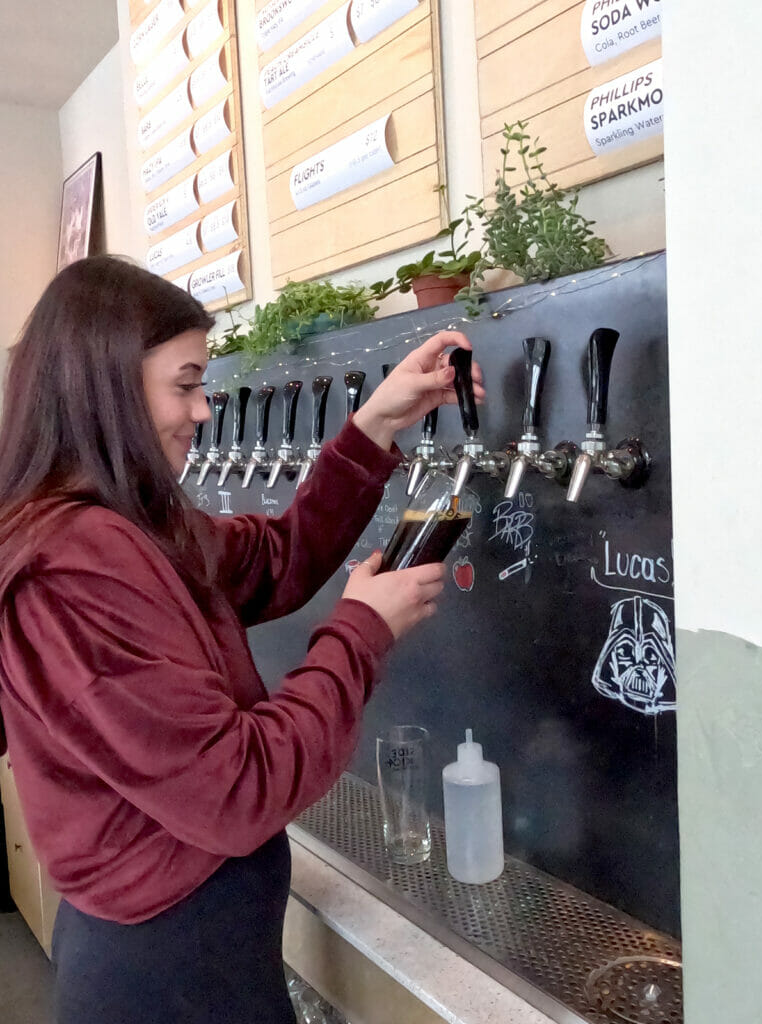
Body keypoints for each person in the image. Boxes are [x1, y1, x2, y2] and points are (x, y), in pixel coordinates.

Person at [0, 256, 484, 1024]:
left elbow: (277, 560)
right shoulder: (73, 566)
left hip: (207, 949)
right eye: (184, 384)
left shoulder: (132, 526)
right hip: (162, 972)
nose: (201, 411)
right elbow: (235, 789)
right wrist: (360, 631)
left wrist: (377, 423)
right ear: (105, 389)